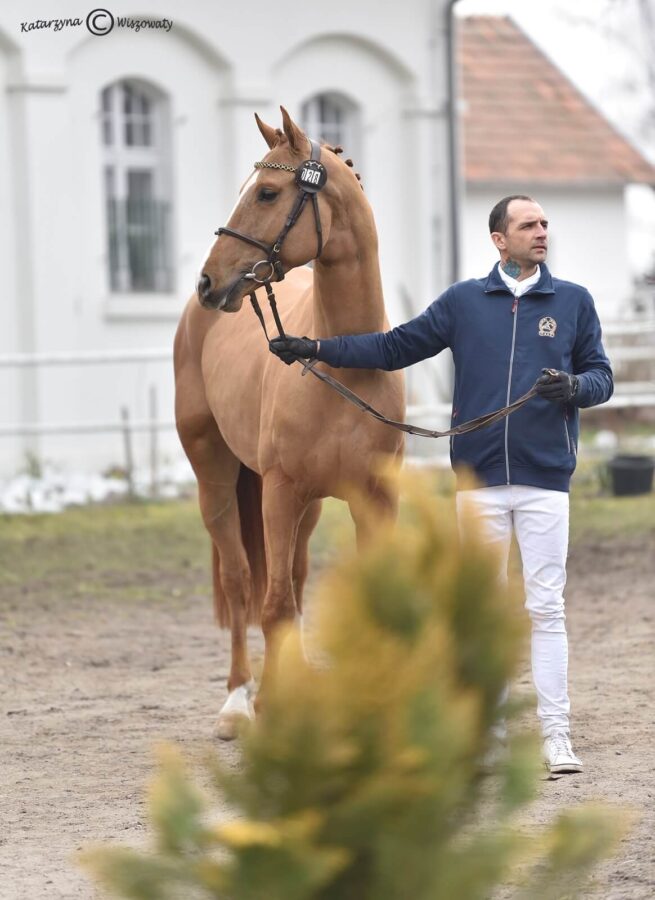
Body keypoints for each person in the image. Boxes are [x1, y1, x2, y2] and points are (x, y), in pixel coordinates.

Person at [269, 195, 614, 775]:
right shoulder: (463, 303)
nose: (542, 232)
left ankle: (558, 737)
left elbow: (601, 376)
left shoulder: (575, 302)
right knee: (482, 610)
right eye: (528, 225)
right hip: (477, 482)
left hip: (545, 480)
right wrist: (315, 350)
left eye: (545, 224)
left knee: (546, 607)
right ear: (499, 240)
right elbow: (392, 346)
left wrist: (575, 388)